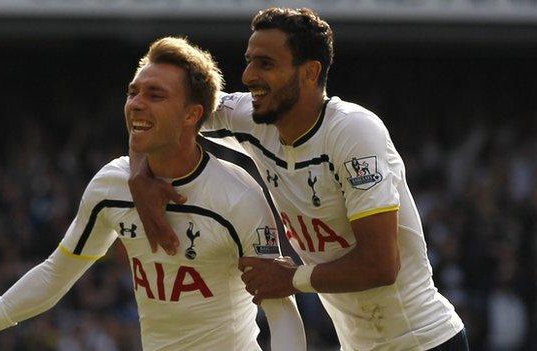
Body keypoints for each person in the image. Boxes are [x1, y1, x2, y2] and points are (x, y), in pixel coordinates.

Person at [0, 37, 306, 351]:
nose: (136, 103)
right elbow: (57, 273)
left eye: (155, 95)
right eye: (133, 92)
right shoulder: (112, 185)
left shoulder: (239, 197)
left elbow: (280, 308)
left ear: (192, 114)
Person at [129, 7, 469, 351]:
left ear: (309, 72)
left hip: (424, 340)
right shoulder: (253, 117)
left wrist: (291, 278)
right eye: (249, 61)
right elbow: (162, 114)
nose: (247, 75)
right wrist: (138, 174)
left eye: (265, 64)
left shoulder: (352, 131)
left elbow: (381, 265)